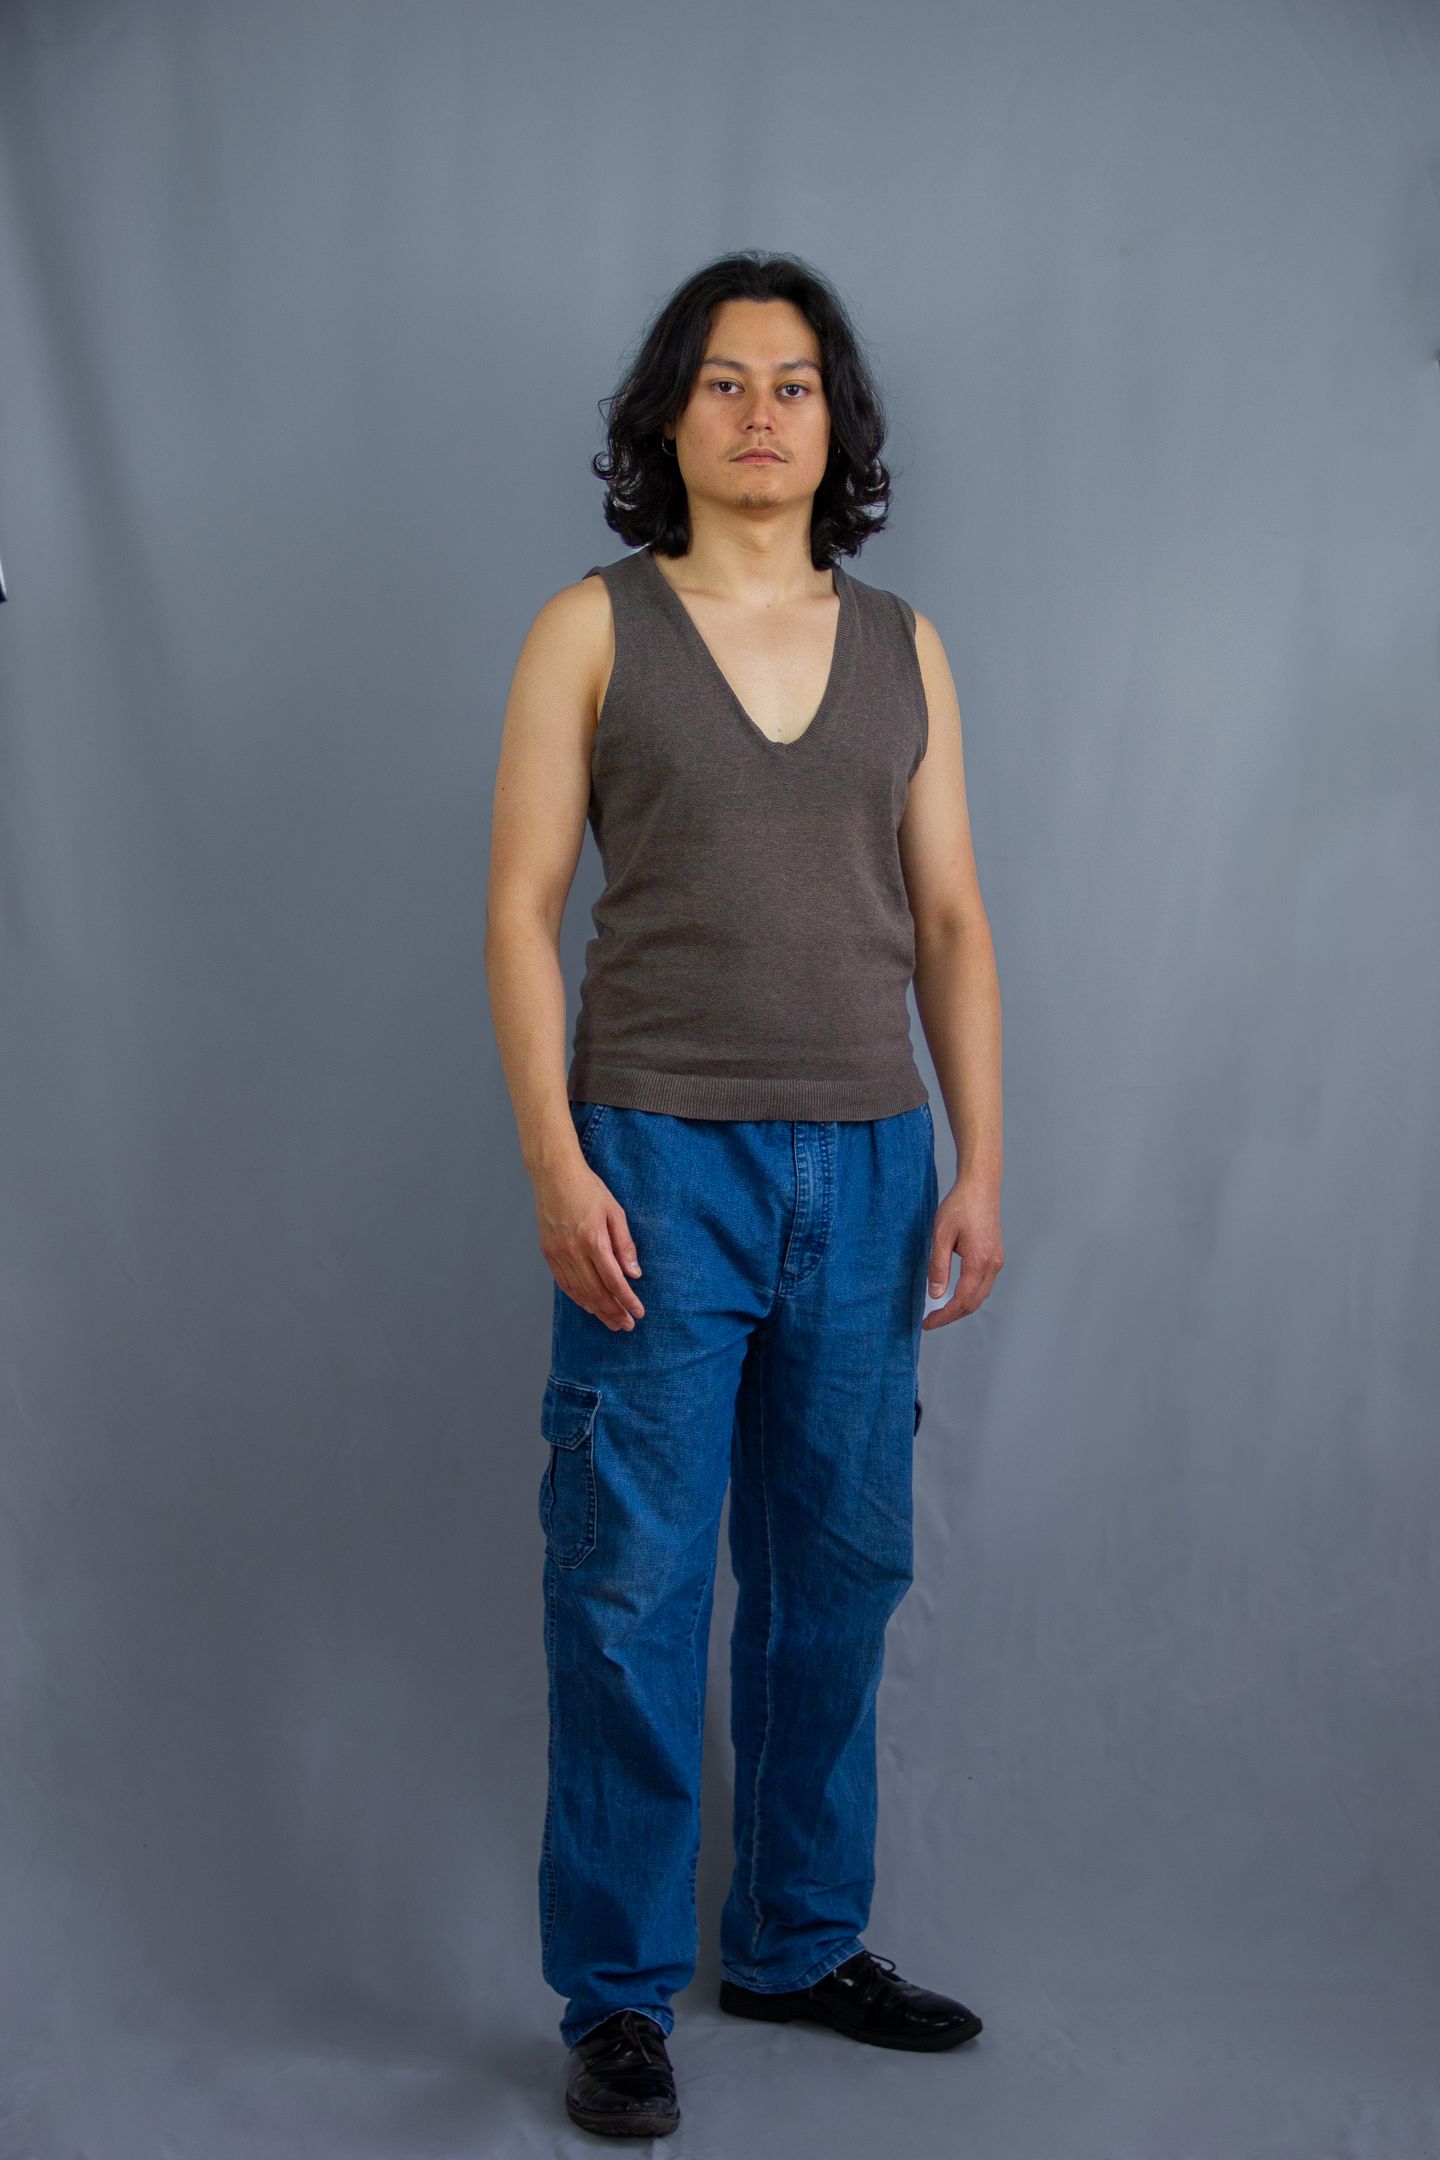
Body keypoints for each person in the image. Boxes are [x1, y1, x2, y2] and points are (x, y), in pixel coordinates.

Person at [485, 249, 1004, 2138]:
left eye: (793, 385)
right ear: (670, 416)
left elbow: (951, 919)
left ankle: (794, 1938)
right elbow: (520, 910)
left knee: (836, 1577)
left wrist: (981, 1161)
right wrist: (554, 1158)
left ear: (836, 424)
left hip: (870, 1164)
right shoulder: (590, 630)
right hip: (654, 1154)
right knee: (628, 1582)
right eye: (724, 381)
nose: (761, 413)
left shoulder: (906, 646)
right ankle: (618, 1998)